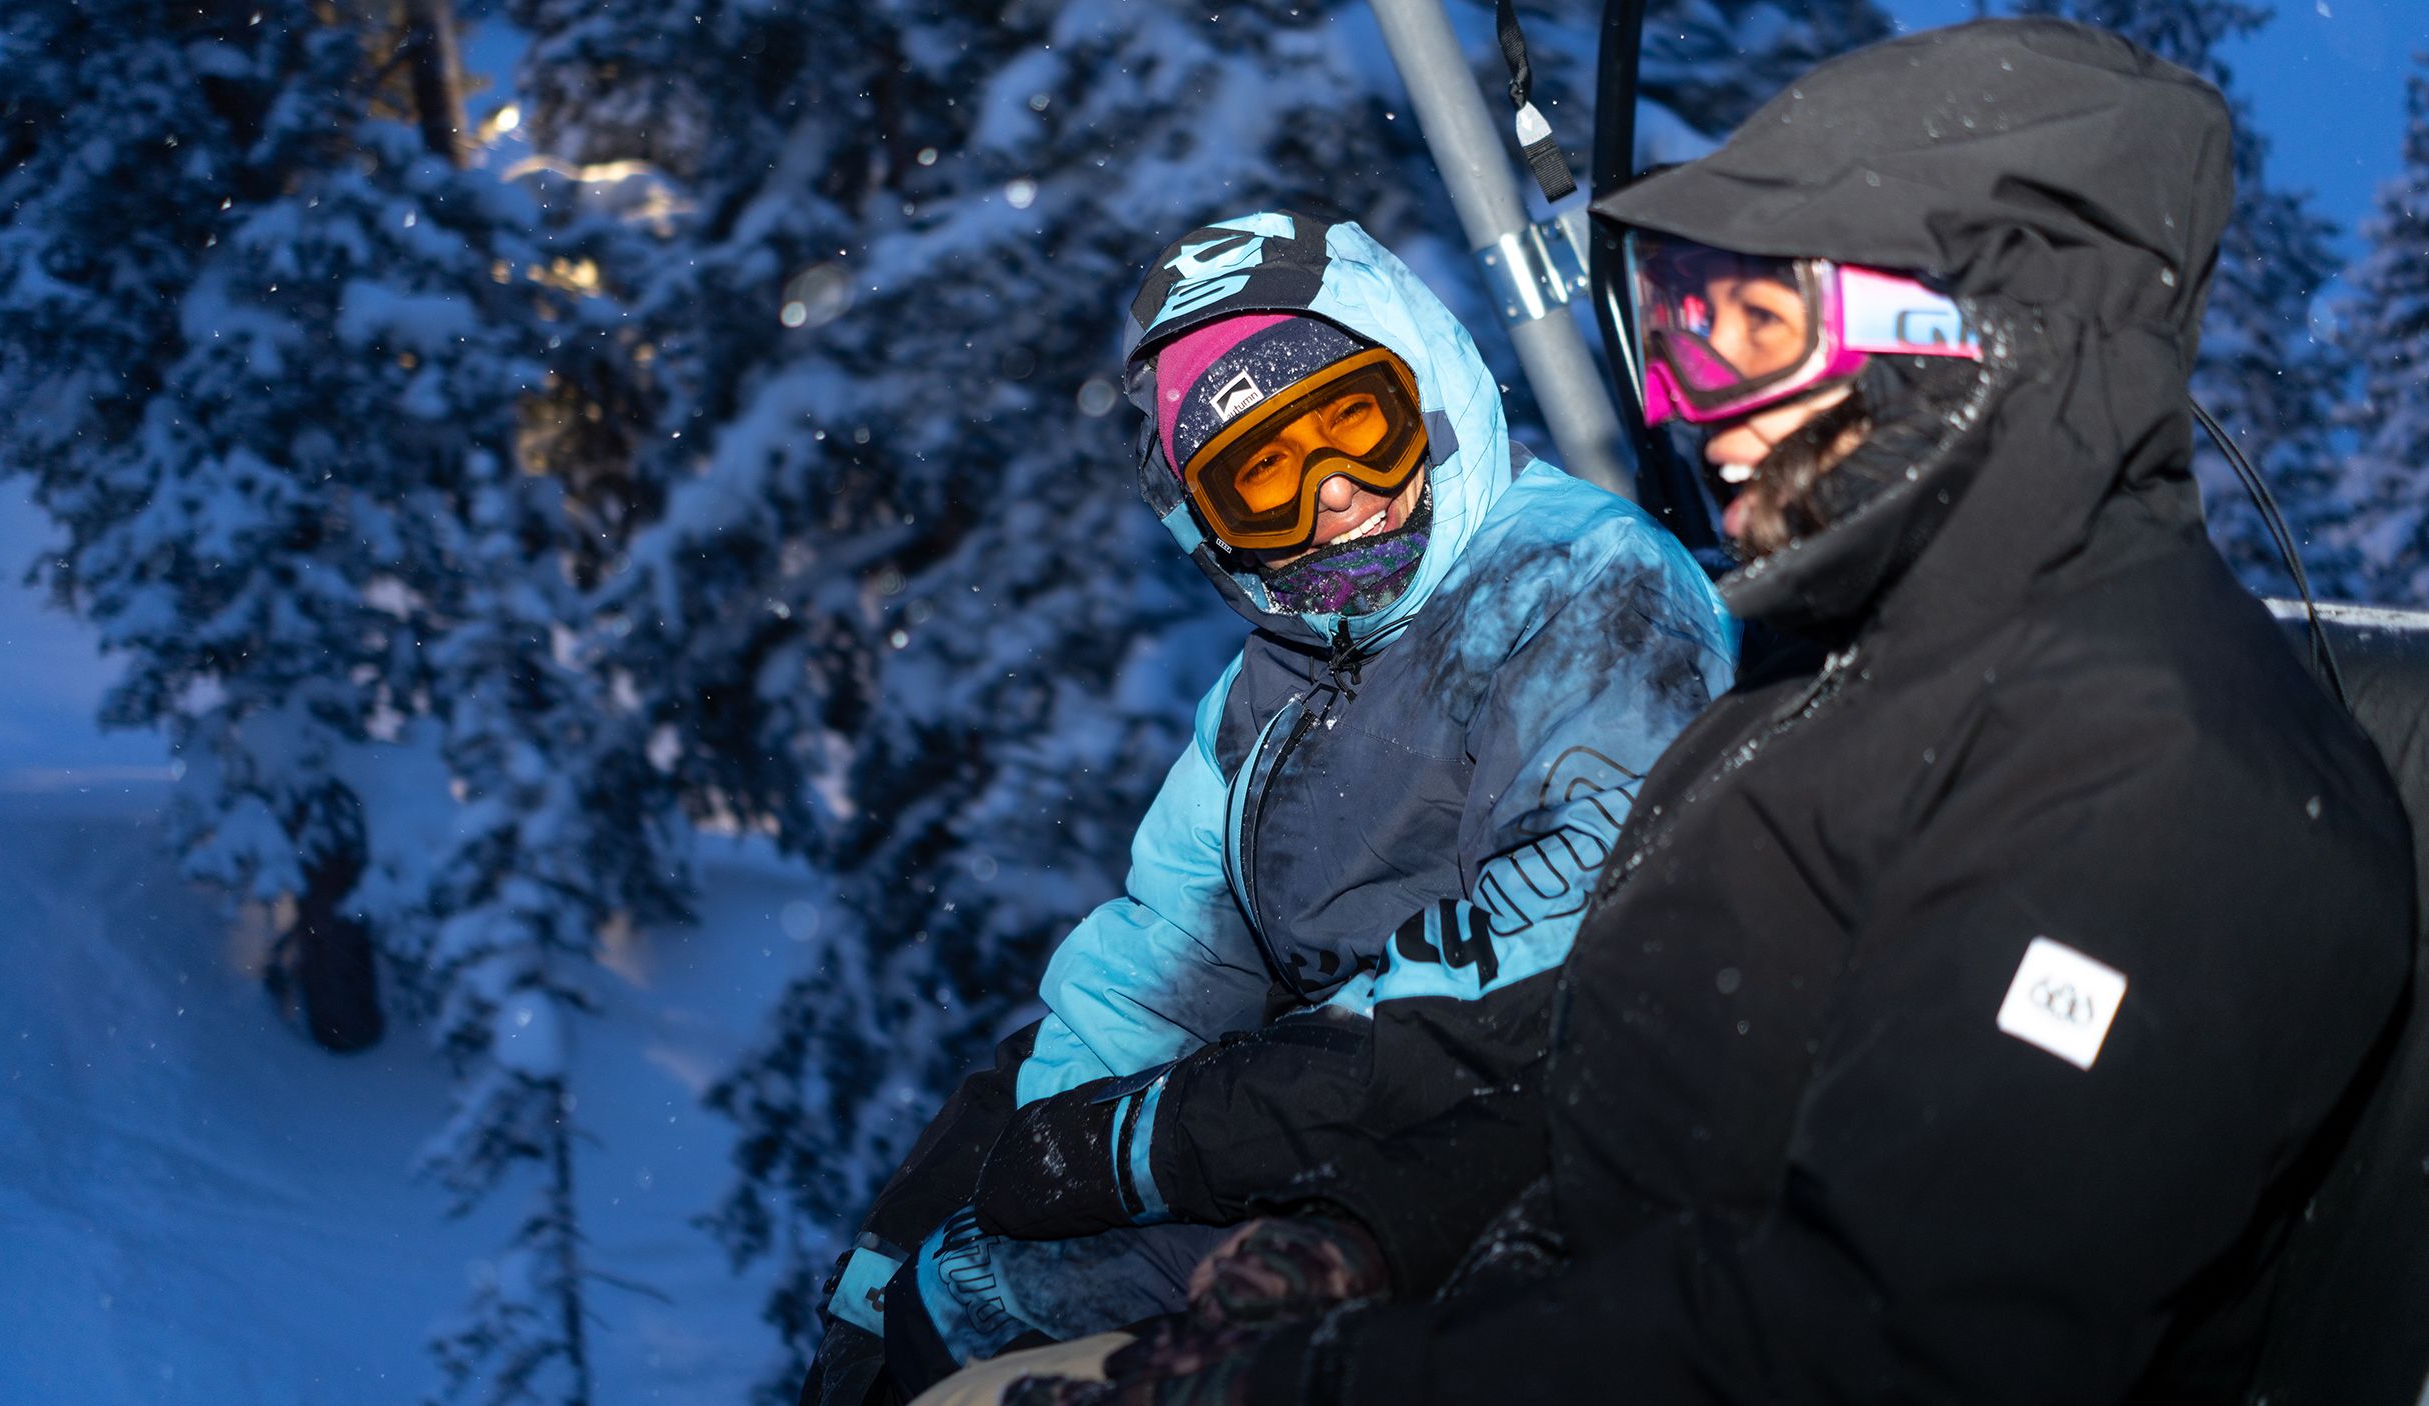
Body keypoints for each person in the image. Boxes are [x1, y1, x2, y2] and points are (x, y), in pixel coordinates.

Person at [976, 17, 2416, 1405]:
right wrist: (1374, 1230)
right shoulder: (1848, 672)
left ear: (1988, 329)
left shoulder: (2154, 787)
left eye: (1755, 331)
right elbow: (1633, 1063)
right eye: (1681, 337)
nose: (1697, 409)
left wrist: (1331, 1380)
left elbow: (1888, 1343)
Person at [800, 212, 1737, 1404]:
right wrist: (934, 1226)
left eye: (1354, 423)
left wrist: (1174, 1133)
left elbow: (1579, 923)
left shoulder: (1575, 582)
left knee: (1009, 1317)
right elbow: (1159, 964)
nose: (1335, 496)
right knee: (954, 1298)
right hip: (1334, 1144)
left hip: (1528, 1153)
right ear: (1216, 529)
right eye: (1264, 478)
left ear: (1428, 398)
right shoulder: (1274, 688)